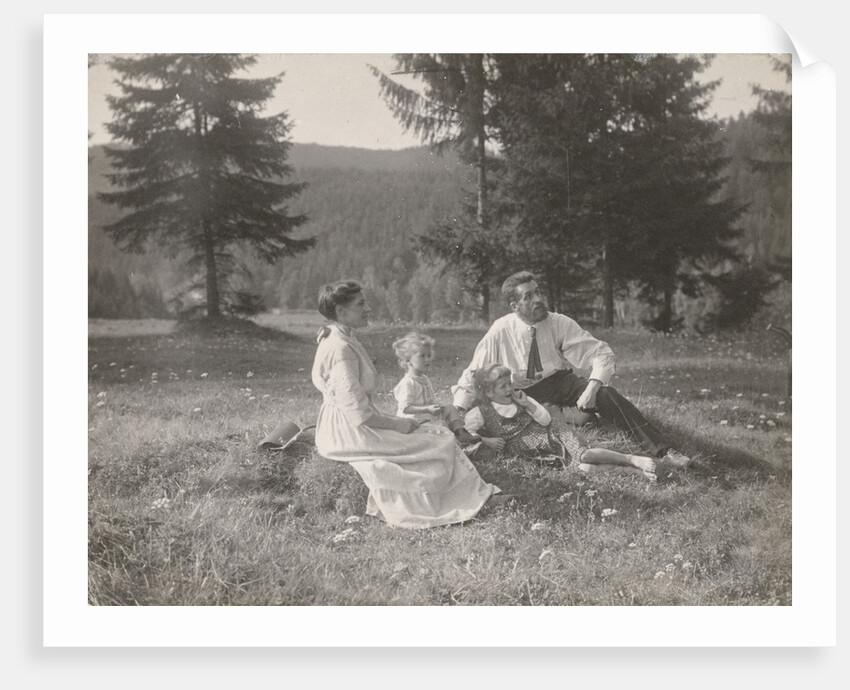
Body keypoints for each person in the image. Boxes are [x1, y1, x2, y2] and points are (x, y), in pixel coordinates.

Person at [311, 280, 503, 529]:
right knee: (438, 441)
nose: (368, 308)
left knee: (437, 435)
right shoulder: (339, 349)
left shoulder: (338, 335)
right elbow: (359, 414)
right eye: (361, 304)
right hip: (348, 431)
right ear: (340, 311)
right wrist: (397, 424)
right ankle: (454, 502)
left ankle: (467, 494)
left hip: (346, 421)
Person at [452, 270, 691, 468]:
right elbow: (476, 371)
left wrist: (593, 388)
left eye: (538, 292)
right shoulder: (500, 330)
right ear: (515, 305)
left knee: (607, 395)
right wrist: (457, 408)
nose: (538, 299)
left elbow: (601, 353)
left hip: (560, 382)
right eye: (528, 296)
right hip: (523, 392)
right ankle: (584, 420)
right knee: (553, 419)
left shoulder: (558, 322)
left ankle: (663, 451)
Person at [464, 364, 657, 481]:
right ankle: (631, 471)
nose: (509, 389)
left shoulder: (521, 398)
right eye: (503, 386)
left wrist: (528, 405)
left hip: (552, 433)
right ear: (489, 392)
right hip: (535, 451)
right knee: (585, 469)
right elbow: (464, 433)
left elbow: (546, 419)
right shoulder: (479, 413)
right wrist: (485, 440)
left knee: (585, 456)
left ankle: (630, 458)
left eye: (509, 384)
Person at [391, 332, 481, 446]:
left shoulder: (424, 378)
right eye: (422, 356)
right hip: (415, 420)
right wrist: (427, 409)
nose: (427, 360)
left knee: (450, 408)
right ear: (408, 360)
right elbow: (405, 408)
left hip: (427, 416)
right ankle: (453, 442)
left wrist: (435, 406)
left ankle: (461, 432)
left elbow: (428, 400)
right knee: (441, 430)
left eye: (428, 356)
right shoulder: (408, 383)